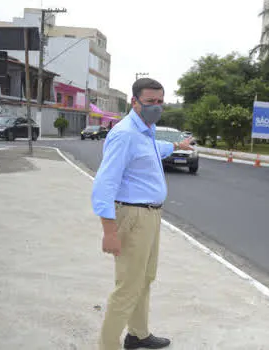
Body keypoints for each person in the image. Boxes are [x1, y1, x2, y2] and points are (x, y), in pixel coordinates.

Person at [91, 78, 193, 350]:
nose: (156, 107)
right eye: (150, 102)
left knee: (144, 279)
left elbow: (151, 152)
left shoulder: (146, 131)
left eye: (160, 102)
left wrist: (176, 146)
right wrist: (109, 232)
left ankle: (138, 334)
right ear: (134, 102)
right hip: (133, 218)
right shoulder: (125, 134)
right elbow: (104, 184)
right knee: (127, 287)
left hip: (150, 216)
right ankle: (107, 346)